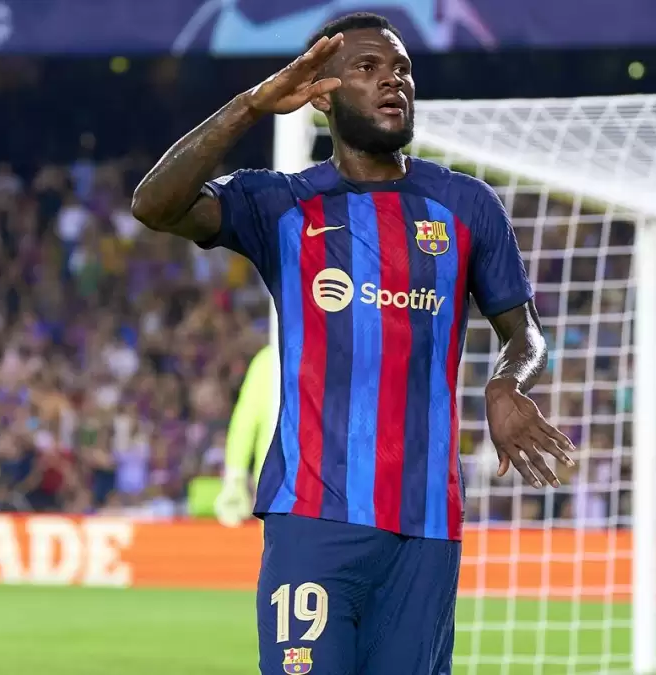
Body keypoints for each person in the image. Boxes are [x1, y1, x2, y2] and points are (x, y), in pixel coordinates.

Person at [131, 12, 575, 675]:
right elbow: (153, 204)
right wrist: (252, 104)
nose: (393, 81)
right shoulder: (281, 204)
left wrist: (509, 382)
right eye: (367, 68)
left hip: (425, 526)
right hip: (313, 518)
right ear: (322, 93)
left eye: (402, 69)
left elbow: (525, 332)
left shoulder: (466, 205)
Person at [215, 343, 279, 526]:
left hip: (277, 484)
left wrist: (235, 476)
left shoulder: (270, 358)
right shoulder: (343, 351)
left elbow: (245, 422)